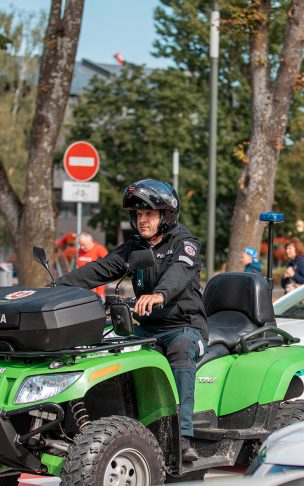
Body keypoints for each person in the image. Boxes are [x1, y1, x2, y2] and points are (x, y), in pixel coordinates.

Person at [57, 179, 207, 463]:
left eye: (148, 214)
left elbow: (178, 274)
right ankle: (91, 426)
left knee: (180, 350)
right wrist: (57, 287)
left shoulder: (185, 244)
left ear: (166, 215)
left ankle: (183, 437)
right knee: (102, 346)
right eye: (138, 215)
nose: (142, 220)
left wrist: (159, 295)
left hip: (184, 328)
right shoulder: (135, 248)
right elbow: (99, 269)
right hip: (145, 329)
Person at [76, 232, 109, 299]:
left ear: (90, 242)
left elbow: (108, 265)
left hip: (96, 285)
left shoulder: (100, 250)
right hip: (83, 284)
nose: (81, 247)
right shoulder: (80, 250)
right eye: (80, 245)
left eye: (83, 245)